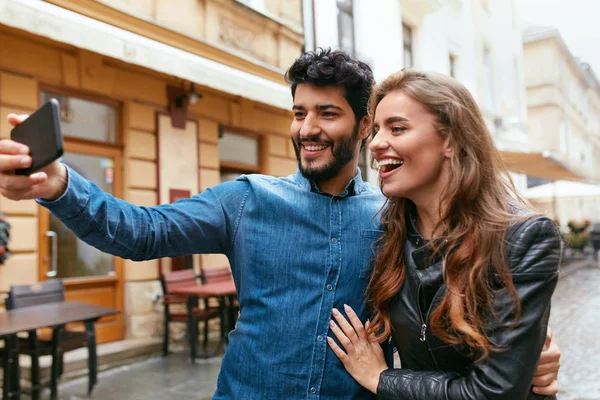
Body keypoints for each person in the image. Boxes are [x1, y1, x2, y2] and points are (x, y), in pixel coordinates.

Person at [0, 49, 559, 399]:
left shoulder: (396, 215)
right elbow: (140, 230)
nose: (306, 128)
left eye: (327, 113)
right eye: (298, 112)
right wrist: (63, 186)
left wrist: (523, 357)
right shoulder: (246, 199)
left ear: (365, 127)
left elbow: (453, 287)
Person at [327, 69, 562, 399]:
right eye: (377, 130)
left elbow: (495, 391)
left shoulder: (522, 237)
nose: (376, 143)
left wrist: (382, 378)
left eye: (397, 128)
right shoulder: (388, 233)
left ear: (451, 140)